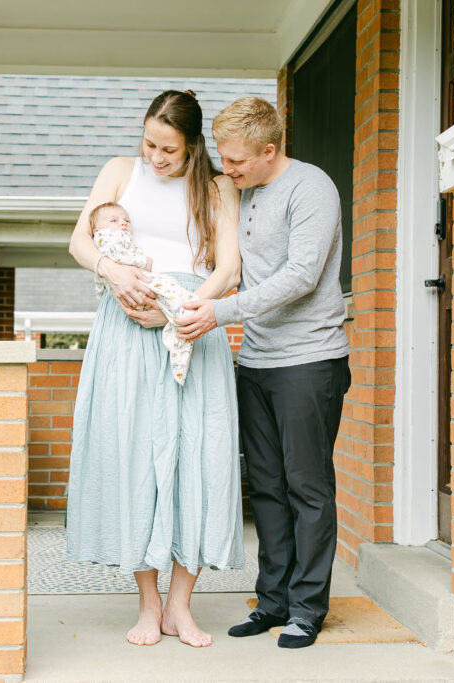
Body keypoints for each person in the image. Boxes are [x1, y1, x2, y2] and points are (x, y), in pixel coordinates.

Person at [66, 89, 244, 648]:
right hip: (125, 327)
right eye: (149, 144)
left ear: (193, 148)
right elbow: (79, 240)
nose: (156, 158)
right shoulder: (120, 172)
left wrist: (184, 311)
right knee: (134, 459)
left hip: (190, 328)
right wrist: (114, 274)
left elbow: (229, 266)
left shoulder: (216, 188)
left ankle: (180, 608)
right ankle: (147, 605)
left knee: (200, 461)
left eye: (168, 149)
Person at [176, 96, 352, 649]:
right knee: (269, 491)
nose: (227, 171)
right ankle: (272, 601)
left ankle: (307, 608)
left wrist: (219, 313)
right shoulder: (246, 192)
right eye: (224, 160)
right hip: (255, 361)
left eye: (236, 162)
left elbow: (300, 275)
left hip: (308, 363)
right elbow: (235, 268)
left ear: (269, 150)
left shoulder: (312, 188)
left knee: (308, 489)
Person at [90, 201, 201, 385]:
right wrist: (143, 261)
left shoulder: (119, 237)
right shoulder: (106, 238)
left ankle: (178, 323)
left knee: (171, 295)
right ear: (97, 229)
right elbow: (118, 257)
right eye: (114, 220)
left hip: (136, 286)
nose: (123, 223)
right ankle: (181, 319)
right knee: (172, 290)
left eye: (126, 220)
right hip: (135, 285)